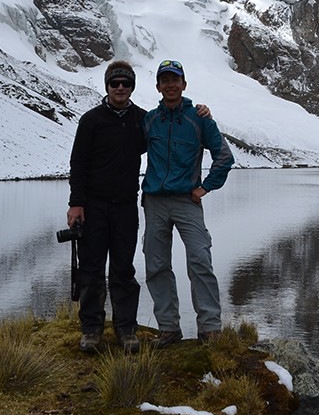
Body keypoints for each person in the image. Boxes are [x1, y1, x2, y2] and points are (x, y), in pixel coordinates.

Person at [66, 59, 212, 353]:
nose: (120, 88)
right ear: (107, 86)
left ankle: (126, 329)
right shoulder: (91, 121)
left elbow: (168, 141)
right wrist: (76, 203)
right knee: (91, 269)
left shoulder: (142, 120)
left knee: (123, 269)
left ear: (133, 87)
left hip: (125, 206)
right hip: (93, 206)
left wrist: (201, 113)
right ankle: (91, 329)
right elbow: (78, 163)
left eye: (126, 83)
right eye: (115, 83)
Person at [141, 59, 235, 348]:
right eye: (165, 80)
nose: (170, 84)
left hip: (187, 201)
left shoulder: (200, 118)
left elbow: (224, 157)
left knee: (199, 260)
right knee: (156, 266)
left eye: (175, 79)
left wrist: (205, 188)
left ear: (184, 84)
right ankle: (169, 328)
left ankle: (210, 329)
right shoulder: (150, 120)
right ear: (158, 86)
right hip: (154, 201)